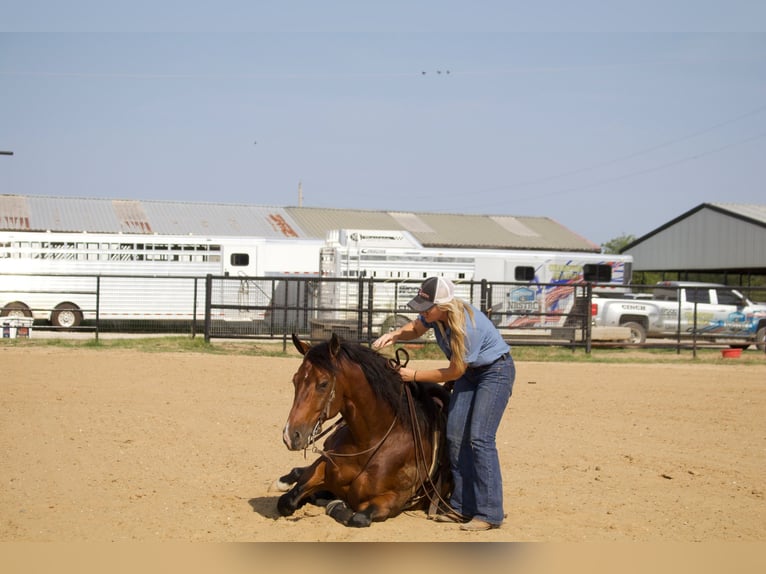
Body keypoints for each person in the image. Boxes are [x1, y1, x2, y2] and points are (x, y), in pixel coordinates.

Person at [373, 276, 515, 531]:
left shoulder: (467, 326)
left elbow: (454, 372)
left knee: (480, 438)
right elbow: (415, 329)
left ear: (444, 305)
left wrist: (413, 375)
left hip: (494, 372)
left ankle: (490, 511)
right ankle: (461, 505)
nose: (423, 313)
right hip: (470, 373)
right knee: (456, 436)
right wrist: (393, 335)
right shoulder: (435, 316)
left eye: (427, 308)